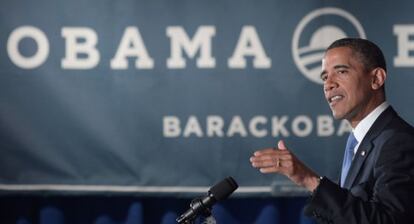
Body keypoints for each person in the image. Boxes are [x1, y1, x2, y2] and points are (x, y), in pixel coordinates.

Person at [250, 38, 414, 223]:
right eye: (324, 77)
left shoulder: (398, 141)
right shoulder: (360, 141)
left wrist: (308, 179)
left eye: (341, 71)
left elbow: (389, 220)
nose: (328, 84)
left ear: (376, 79)